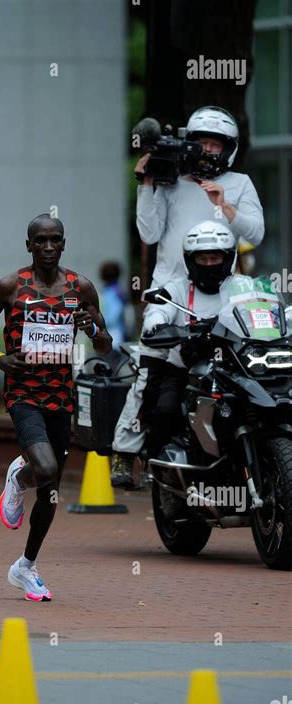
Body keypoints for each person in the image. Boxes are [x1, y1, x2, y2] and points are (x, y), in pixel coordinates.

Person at [111, 105, 264, 489]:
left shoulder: (240, 183)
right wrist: (146, 184)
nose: (208, 150)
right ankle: (126, 452)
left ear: (228, 149)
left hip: (223, 294)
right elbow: (148, 234)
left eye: (216, 144)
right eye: (201, 143)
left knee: (234, 374)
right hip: (171, 294)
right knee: (151, 374)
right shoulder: (171, 180)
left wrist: (223, 204)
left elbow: (256, 234)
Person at [0, 214, 112, 601]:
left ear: (63, 244)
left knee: (50, 490)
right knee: (45, 468)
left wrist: (92, 329)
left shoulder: (80, 287)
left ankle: (26, 567)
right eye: (41, 241)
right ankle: (19, 478)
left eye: (55, 240)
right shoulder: (10, 286)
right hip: (23, 395)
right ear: (29, 245)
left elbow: (106, 345)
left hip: (61, 397)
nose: (48, 247)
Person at [142, 220, 238, 459]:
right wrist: (157, 325)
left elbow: (270, 307)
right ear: (189, 260)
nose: (208, 264)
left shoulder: (241, 287)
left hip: (235, 369)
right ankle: (160, 468)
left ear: (228, 259)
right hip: (185, 370)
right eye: (201, 259)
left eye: (215, 258)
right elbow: (157, 310)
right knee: (165, 411)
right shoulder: (177, 289)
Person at [99, 261, 129, 349]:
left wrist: (100, 324)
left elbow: (112, 315)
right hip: (116, 333)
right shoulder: (118, 291)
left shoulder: (112, 292)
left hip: (113, 334)